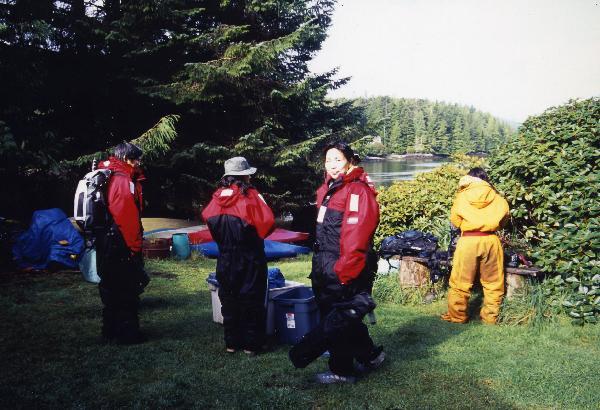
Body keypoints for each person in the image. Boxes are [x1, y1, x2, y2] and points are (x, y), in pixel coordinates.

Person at [310, 141, 384, 384]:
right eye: (328, 160)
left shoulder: (357, 191)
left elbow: (357, 238)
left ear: (350, 161)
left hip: (341, 266)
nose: (332, 165)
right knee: (343, 316)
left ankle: (341, 370)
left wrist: (342, 272)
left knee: (337, 318)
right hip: (326, 262)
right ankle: (369, 355)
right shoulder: (330, 188)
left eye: (338, 160)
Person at [202, 156, 275, 355]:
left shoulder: (217, 196)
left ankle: (232, 343)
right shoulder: (251, 195)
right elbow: (268, 222)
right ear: (245, 176)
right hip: (250, 254)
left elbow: (207, 217)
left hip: (225, 256)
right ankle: (252, 345)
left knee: (229, 298)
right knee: (252, 297)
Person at [441, 167, 510, 324]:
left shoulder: (462, 196)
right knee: (493, 283)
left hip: (468, 241)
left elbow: (455, 221)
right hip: (491, 241)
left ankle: (457, 316)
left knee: (460, 282)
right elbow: (504, 220)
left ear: (470, 179)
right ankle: (490, 317)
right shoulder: (498, 198)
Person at [96, 142, 149, 344]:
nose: (138, 163)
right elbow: (127, 218)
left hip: (106, 241)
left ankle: (110, 331)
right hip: (120, 243)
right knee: (127, 290)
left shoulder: (107, 175)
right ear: (126, 158)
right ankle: (128, 334)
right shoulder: (122, 180)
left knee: (110, 287)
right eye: (136, 158)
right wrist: (134, 248)